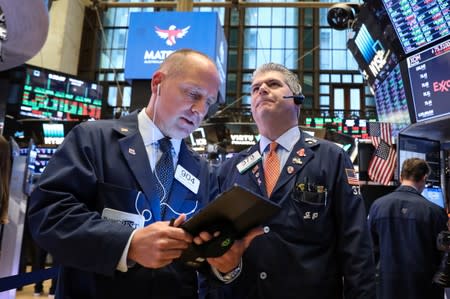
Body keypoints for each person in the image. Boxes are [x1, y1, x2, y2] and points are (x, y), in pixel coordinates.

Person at [27, 49, 240, 299]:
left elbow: (203, 257)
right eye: (193, 94)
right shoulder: (94, 140)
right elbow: (49, 215)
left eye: (209, 102)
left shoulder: (201, 170)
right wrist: (128, 244)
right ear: (157, 83)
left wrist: (225, 266)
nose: (200, 110)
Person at [201, 63, 376, 299]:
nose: (261, 89)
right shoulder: (229, 169)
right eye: (254, 89)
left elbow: (356, 243)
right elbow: (213, 249)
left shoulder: (331, 158)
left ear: (297, 99)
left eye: (273, 84)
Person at [368, 158, 448, 299]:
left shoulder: (377, 206)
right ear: (424, 178)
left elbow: (369, 250)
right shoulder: (435, 212)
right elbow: (444, 255)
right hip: (423, 289)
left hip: (386, 288)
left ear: (401, 176)